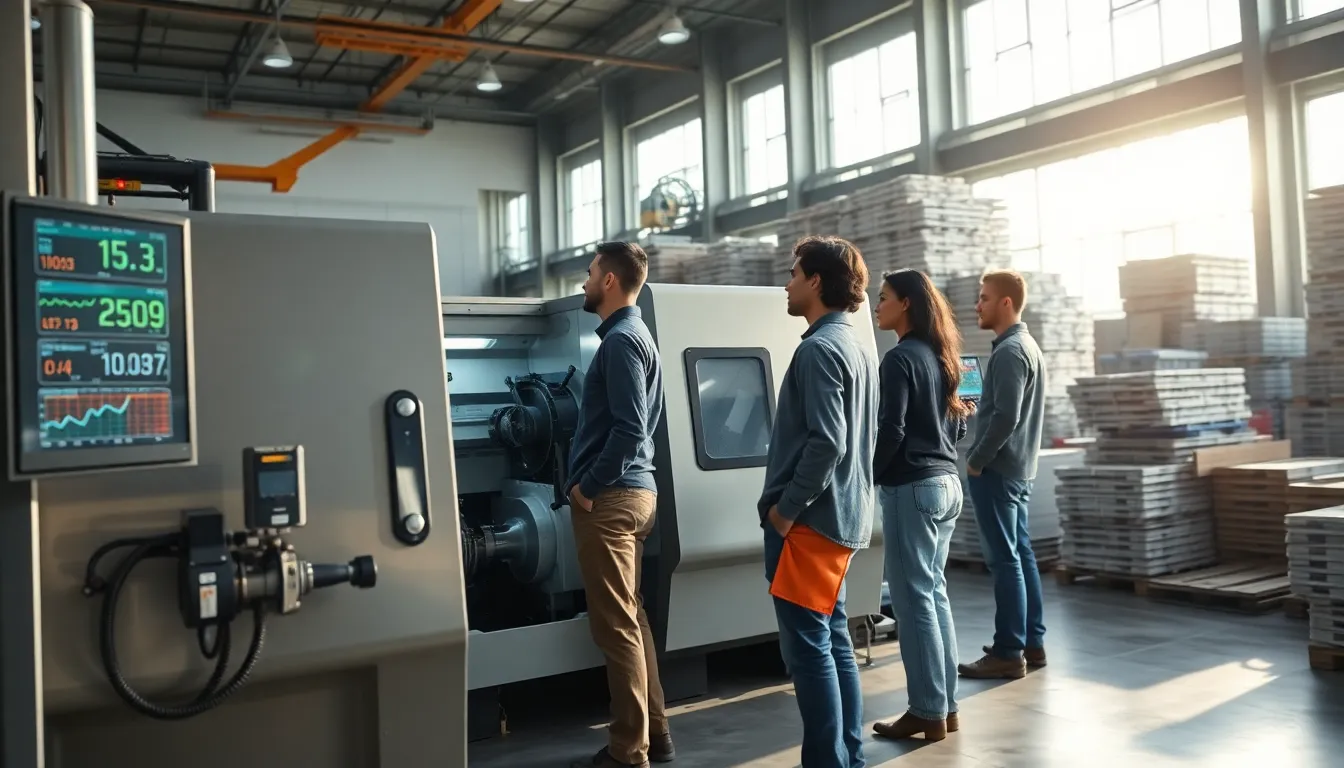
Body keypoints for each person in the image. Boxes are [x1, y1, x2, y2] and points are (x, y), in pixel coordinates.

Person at [758, 235, 879, 768]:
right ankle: (848, 757)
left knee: (810, 653)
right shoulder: (854, 345)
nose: (785, 283)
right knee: (833, 641)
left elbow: (827, 443)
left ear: (815, 282)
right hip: (845, 517)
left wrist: (785, 510)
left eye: (792, 273)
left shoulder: (818, 349)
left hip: (810, 522)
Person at [567, 241, 674, 768]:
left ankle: (629, 750)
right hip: (633, 495)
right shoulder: (635, 336)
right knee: (633, 620)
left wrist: (588, 486)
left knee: (616, 628)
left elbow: (632, 427)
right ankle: (657, 733)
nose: (584, 282)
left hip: (611, 501)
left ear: (610, 280)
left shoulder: (621, 342)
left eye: (589, 274)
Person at [868, 269, 972, 742]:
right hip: (946, 484)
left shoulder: (898, 360)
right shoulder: (941, 356)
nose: (877, 303)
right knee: (934, 596)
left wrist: (870, 474)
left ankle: (927, 710)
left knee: (913, 605)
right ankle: (945, 707)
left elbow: (892, 430)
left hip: (912, 487)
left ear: (906, 303)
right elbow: (959, 427)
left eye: (884, 297)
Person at [957, 269, 1047, 680]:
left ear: (1006, 303)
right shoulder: (1026, 347)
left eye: (985, 298)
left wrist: (976, 458)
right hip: (1019, 469)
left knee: (1005, 559)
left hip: (998, 469)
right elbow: (1005, 409)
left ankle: (1009, 650)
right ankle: (1032, 641)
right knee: (1021, 555)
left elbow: (1007, 416)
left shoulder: (1010, 352)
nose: (978, 305)